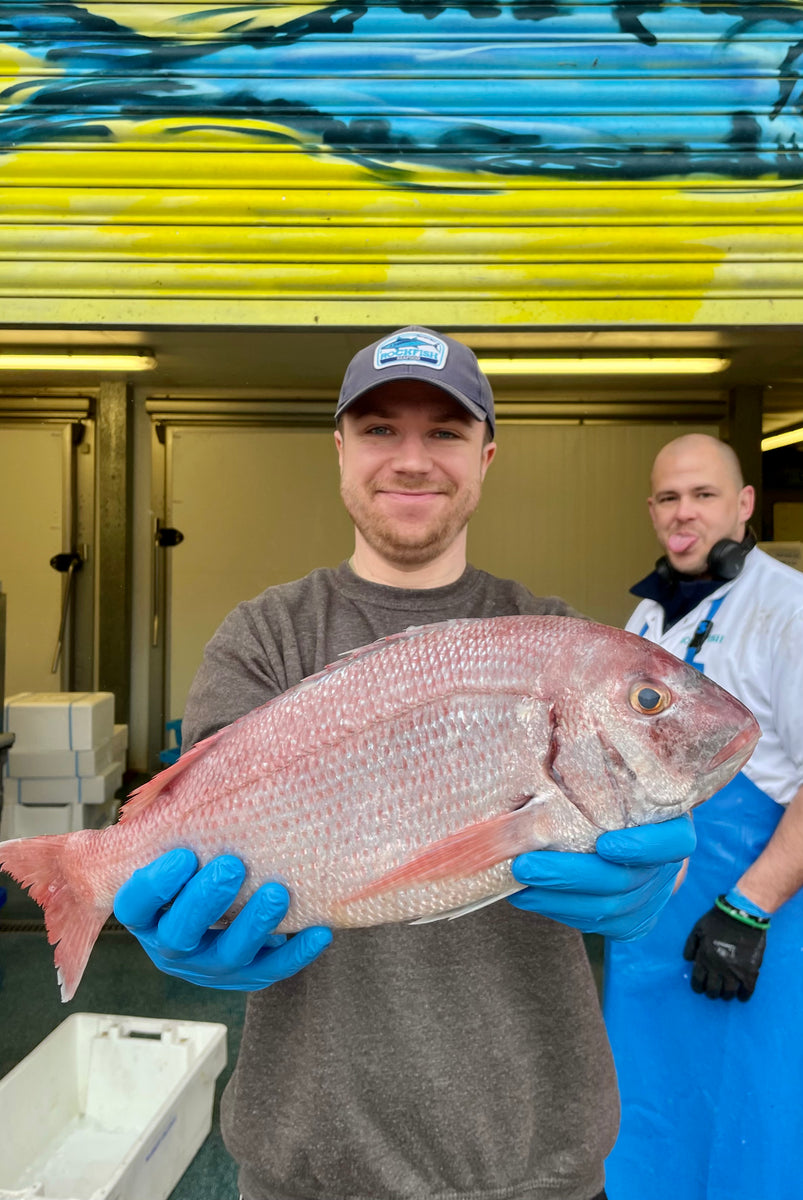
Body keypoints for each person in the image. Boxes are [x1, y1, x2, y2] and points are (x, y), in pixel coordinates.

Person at [114, 327, 695, 1200]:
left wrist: (660, 882)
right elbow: (203, 831)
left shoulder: (556, 640)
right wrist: (183, 925)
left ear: (487, 455)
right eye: (381, 429)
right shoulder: (266, 637)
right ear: (340, 450)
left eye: (446, 432)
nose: (412, 459)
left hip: (536, 1162)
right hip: (309, 1164)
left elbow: (634, 837)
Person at [604, 433, 803, 1200]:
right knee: (647, 1117)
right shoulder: (646, 616)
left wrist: (747, 909)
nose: (683, 514)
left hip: (755, 921)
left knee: (751, 1121)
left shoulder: (785, 610)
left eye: (703, 495)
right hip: (651, 933)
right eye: (667, 498)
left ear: (744, 504)